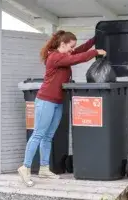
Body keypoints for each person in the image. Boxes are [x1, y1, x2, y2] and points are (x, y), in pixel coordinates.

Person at [17, 30, 106, 186]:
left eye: (73, 47)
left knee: (48, 136)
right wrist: (96, 52)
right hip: (45, 101)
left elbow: (79, 51)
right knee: (38, 134)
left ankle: (44, 168)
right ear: (62, 44)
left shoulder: (65, 54)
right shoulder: (55, 57)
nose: (73, 49)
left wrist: (95, 39)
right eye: (71, 46)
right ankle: (25, 167)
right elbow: (78, 57)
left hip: (57, 102)